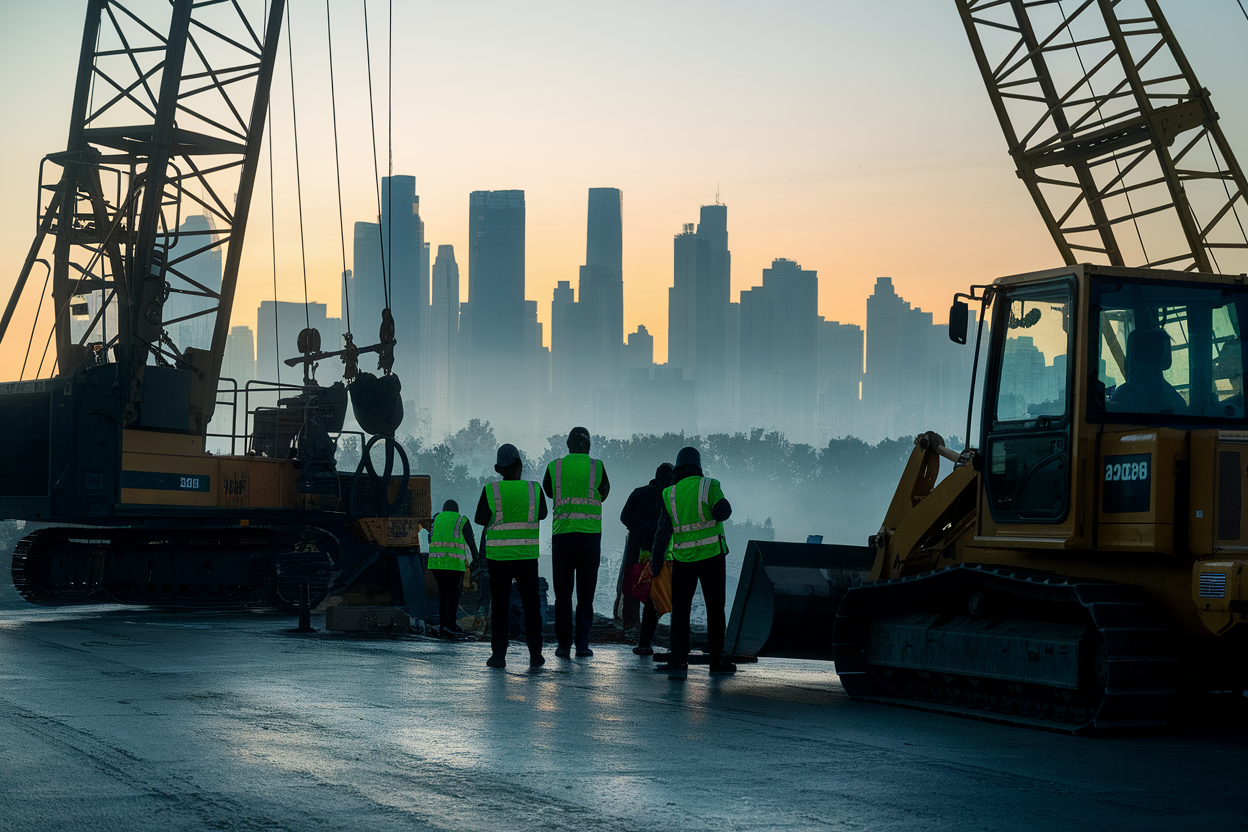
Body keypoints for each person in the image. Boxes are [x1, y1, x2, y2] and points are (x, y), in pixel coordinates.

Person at [651, 446, 734, 680]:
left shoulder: (669, 493)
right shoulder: (710, 485)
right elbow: (723, 512)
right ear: (698, 465)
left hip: (683, 560)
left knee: (681, 612)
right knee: (715, 610)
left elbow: (663, 530)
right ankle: (717, 661)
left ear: (678, 467)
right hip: (712, 558)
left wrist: (656, 563)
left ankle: (678, 662)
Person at [475, 443, 548, 669]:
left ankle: (498, 657)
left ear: (499, 468)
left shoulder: (491, 490)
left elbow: (480, 519)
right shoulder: (534, 489)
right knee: (532, 607)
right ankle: (535, 655)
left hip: (499, 558)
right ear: (519, 465)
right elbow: (543, 514)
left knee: (499, 608)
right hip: (526, 557)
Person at [543, 426, 610, 658]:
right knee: (586, 597)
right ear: (588, 445)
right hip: (590, 538)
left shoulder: (555, 467)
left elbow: (550, 492)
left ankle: (563, 646)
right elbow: (605, 492)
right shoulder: (597, 467)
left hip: (562, 537)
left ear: (568, 445)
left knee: (563, 597)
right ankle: (582, 646)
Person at [618, 462, 674, 654]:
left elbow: (625, 517)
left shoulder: (639, 493)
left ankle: (634, 630)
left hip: (637, 551)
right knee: (654, 593)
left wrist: (640, 531)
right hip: (661, 553)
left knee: (635, 590)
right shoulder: (671, 497)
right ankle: (643, 635)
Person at [427, 499, 480, 639]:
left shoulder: (436, 519)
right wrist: (476, 560)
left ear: (444, 510)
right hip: (454, 563)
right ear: (456, 510)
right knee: (453, 594)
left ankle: (444, 625)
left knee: (443, 593)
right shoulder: (461, 520)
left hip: (436, 563)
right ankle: (450, 626)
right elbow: (471, 541)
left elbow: (429, 538)